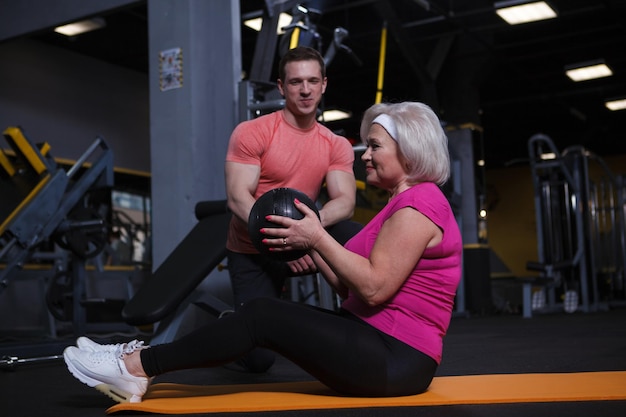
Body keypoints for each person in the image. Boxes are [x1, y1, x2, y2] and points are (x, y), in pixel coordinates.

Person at [63, 101, 463, 404]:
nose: (365, 155)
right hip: (376, 344)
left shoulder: (419, 205)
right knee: (259, 315)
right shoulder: (400, 205)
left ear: (408, 152)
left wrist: (319, 238)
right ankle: (136, 360)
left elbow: (374, 289)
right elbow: (351, 290)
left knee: (261, 314)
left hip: (396, 360)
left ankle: (135, 367)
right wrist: (310, 240)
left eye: (375, 147)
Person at [223, 46, 356, 372]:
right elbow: (238, 197)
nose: (306, 89)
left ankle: (362, 330)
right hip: (253, 248)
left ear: (324, 84)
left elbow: (345, 201)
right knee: (258, 360)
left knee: (355, 236)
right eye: (296, 82)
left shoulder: (335, 144)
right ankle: (231, 322)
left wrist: (308, 233)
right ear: (281, 87)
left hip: (303, 241)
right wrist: (283, 238)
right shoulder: (252, 132)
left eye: (313, 81)